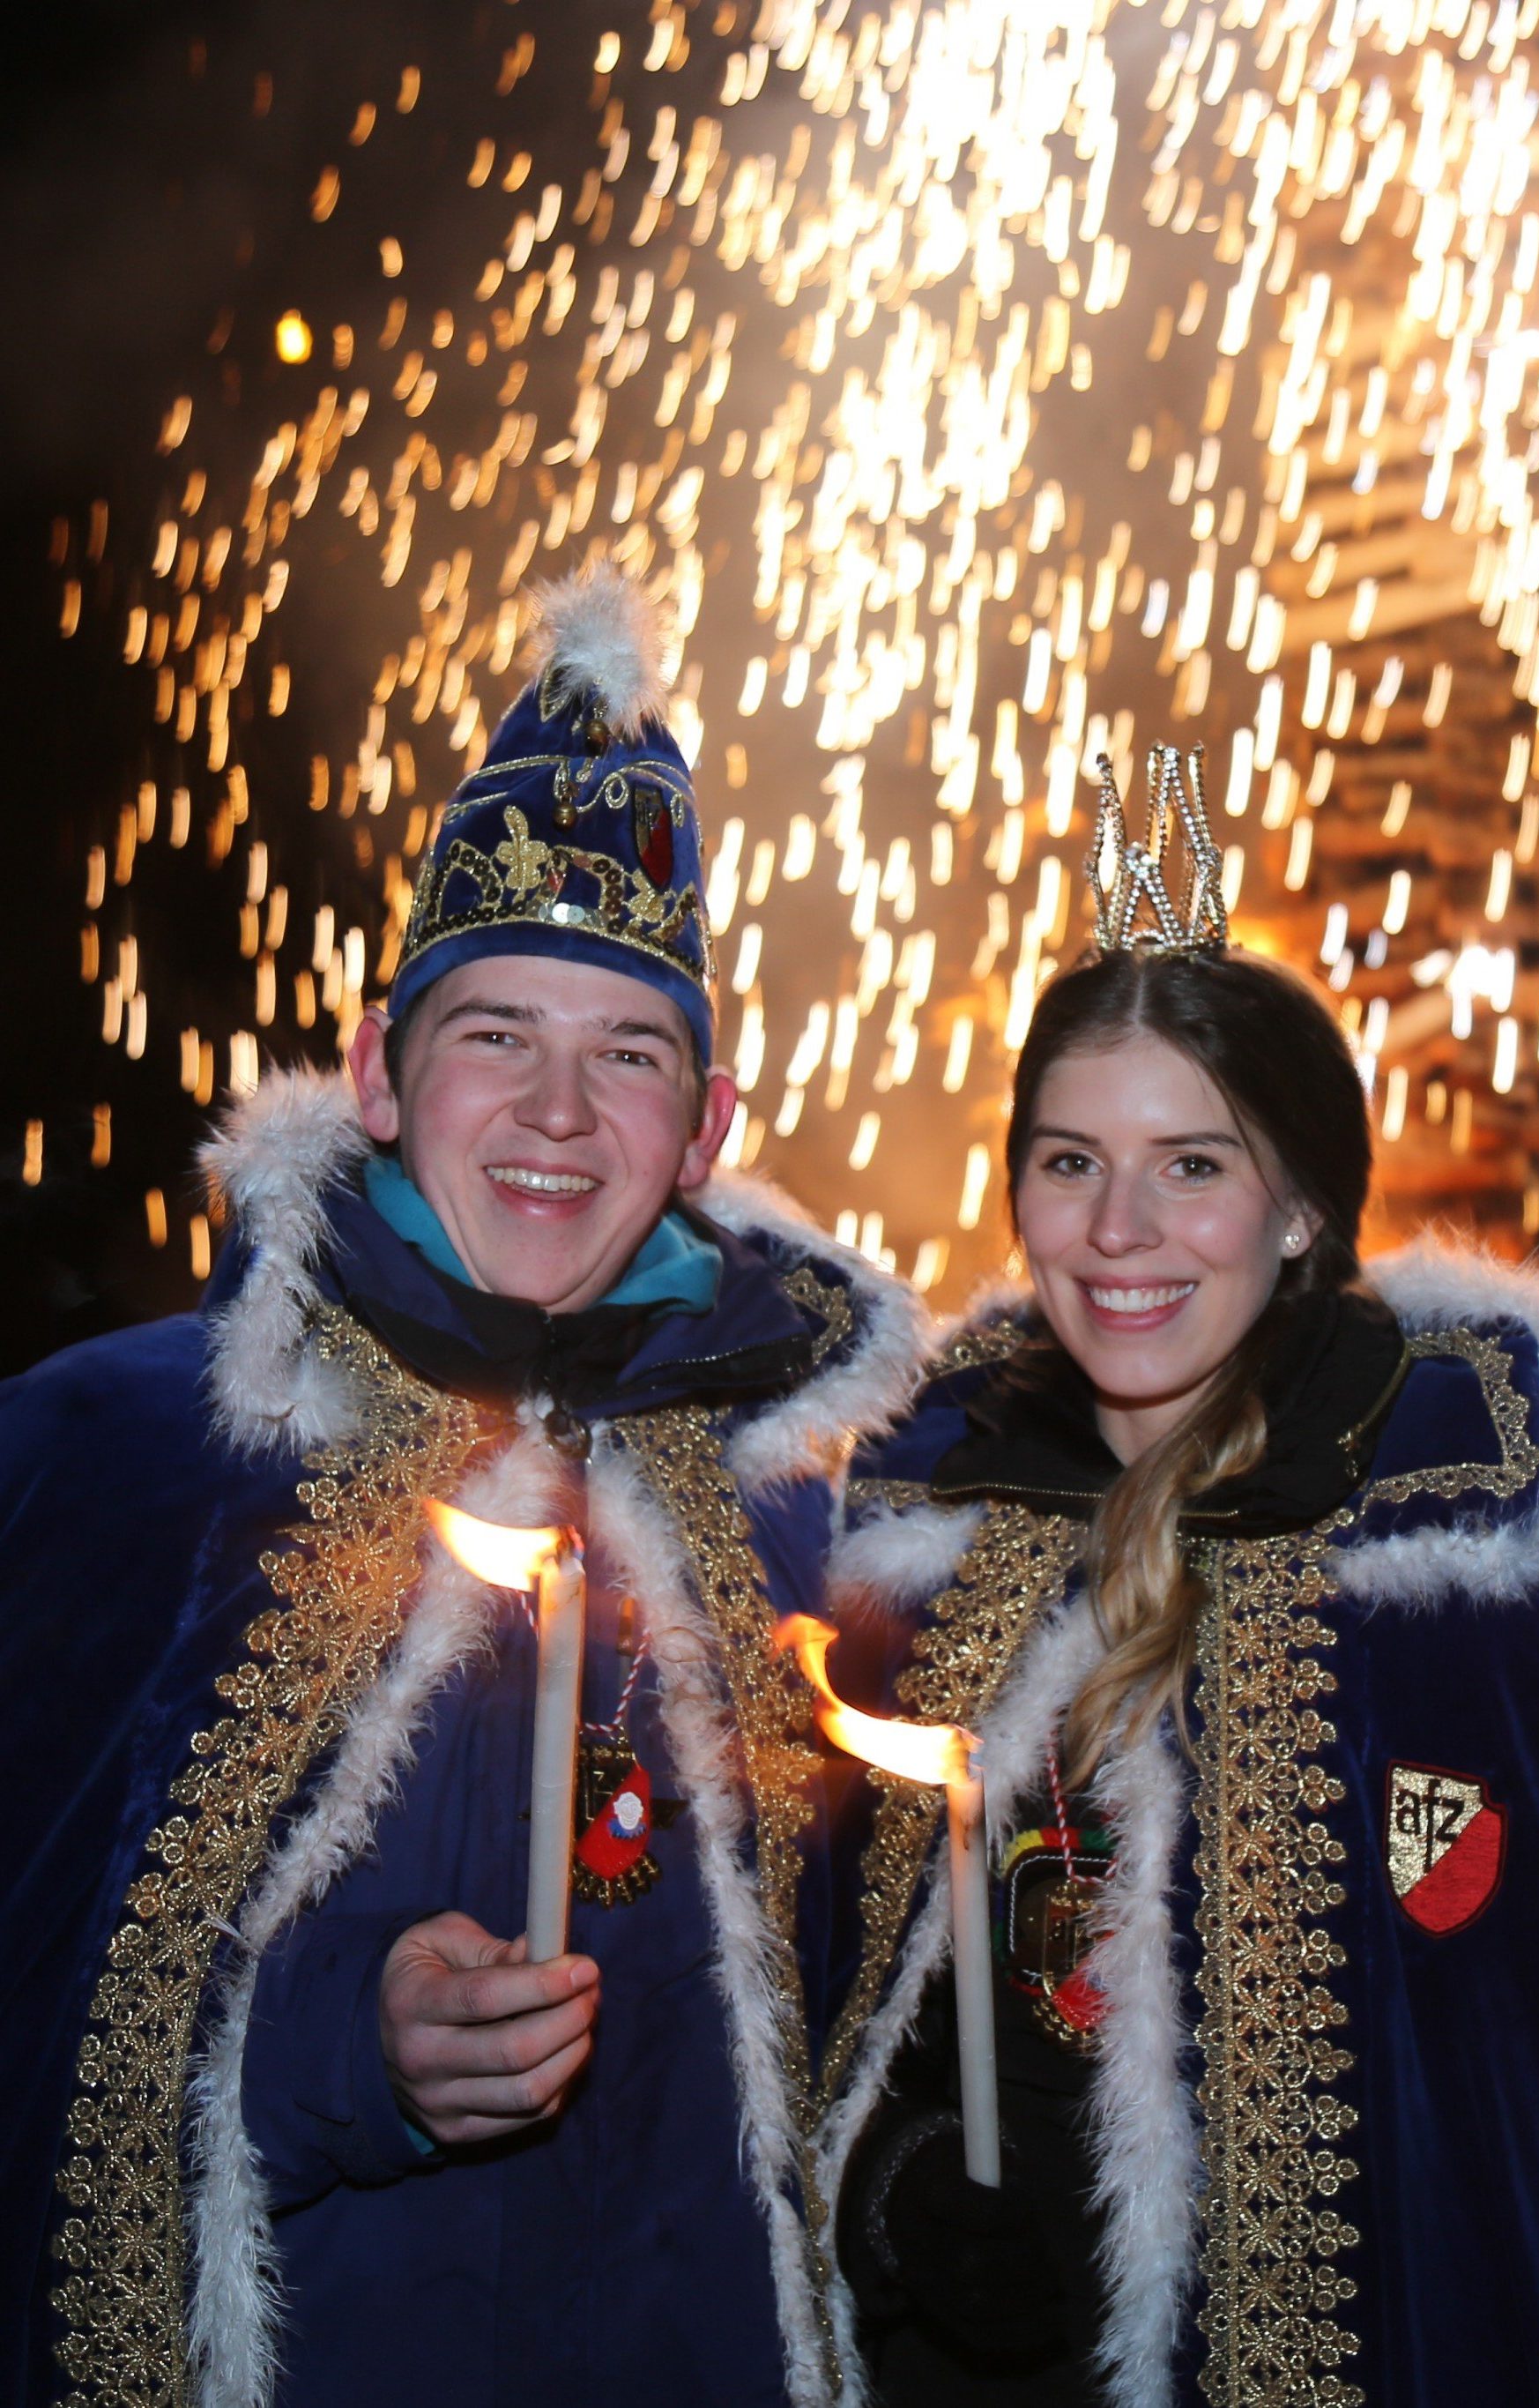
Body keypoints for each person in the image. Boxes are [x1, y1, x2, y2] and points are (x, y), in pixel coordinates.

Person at [0, 565, 922, 2408]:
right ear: (375, 1070)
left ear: (710, 1130)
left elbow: (880, 2057)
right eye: (497, 1032)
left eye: (629, 1055)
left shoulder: (804, 1542)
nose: (560, 1113)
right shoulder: (108, 1456)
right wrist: (351, 2047)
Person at [810, 753, 1539, 2407]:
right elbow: (834, 2012)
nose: (1120, 1228)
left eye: (1193, 1164)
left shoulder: (1457, 1593)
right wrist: (904, 2203)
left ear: (1298, 1214)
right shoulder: (930, 1559)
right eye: (1070, 1162)